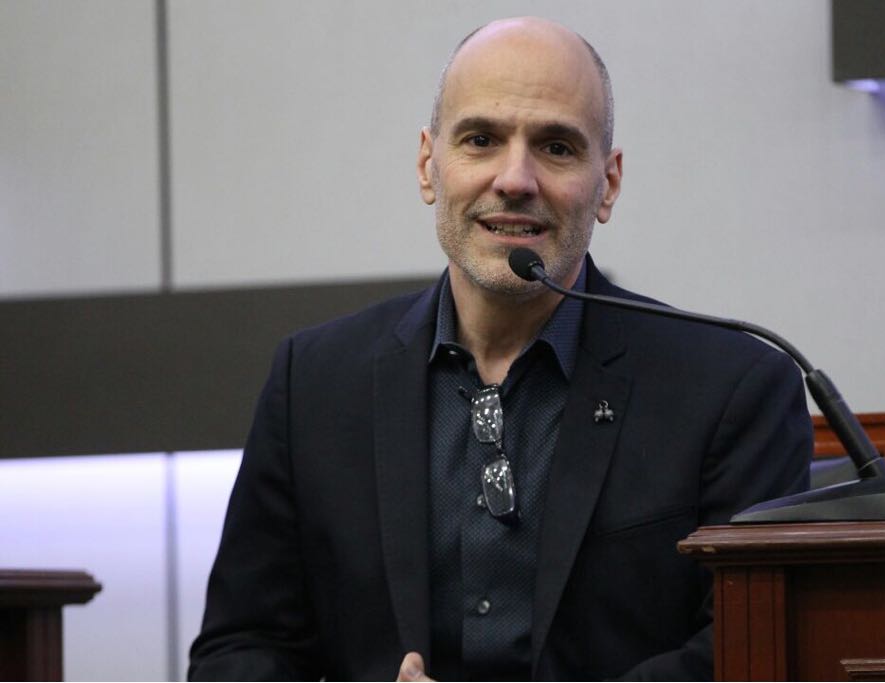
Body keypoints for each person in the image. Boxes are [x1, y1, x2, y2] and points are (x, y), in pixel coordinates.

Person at [189, 16, 811, 681]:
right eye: (481, 140)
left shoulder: (733, 389)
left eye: (556, 147)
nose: (515, 179)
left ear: (609, 183)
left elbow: (752, 650)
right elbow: (240, 650)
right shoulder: (313, 383)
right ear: (428, 166)